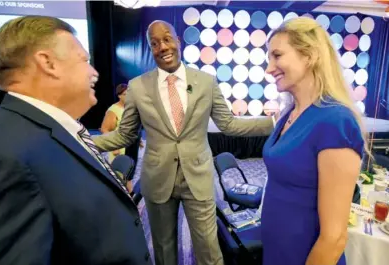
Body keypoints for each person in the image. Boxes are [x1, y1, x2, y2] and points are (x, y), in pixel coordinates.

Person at [92, 20, 274, 265]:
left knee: (208, 249)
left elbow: (229, 124)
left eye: (167, 39)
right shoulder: (137, 87)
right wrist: (85, 140)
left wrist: (274, 123)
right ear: (150, 49)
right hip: (157, 179)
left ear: (178, 41)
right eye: (154, 43)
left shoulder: (206, 82)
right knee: (164, 249)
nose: (162, 47)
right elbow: (125, 135)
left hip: (198, 175)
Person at [0, 16, 151, 265]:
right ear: (47, 63)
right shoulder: (3, 149)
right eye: (85, 60)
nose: (94, 72)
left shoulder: (49, 131)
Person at [261, 17, 368, 265]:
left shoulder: (335, 121)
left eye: (277, 56)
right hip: (278, 250)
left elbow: (334, 238)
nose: (269, 68)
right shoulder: (291, 112)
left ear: (309, 55)